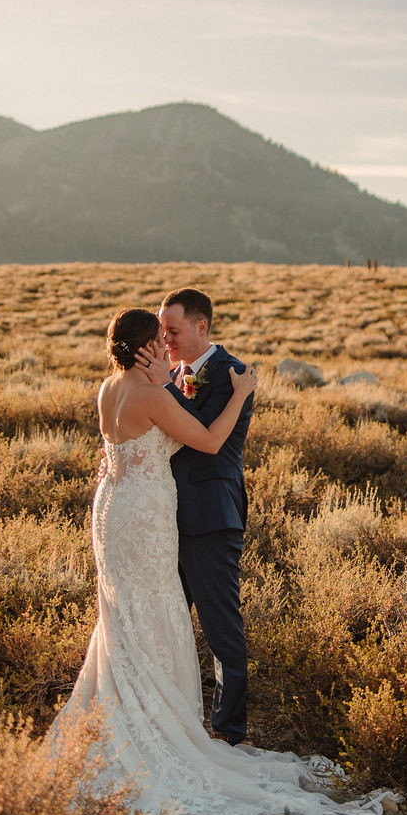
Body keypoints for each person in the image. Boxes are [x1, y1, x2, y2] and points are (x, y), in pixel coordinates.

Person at [48, 307, 404, 815]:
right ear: (144, 351)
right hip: (145, 515)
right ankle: (161, 730)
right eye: (159, 343)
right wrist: (241, 391)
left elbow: (118, 448)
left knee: (123, 615)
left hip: (112, 511)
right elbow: (211, 440)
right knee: (158, 608)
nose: (168, 348)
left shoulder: (106, 387)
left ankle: (128, 714)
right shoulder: (155, 392)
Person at [154, 287, 252, 745]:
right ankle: (172, 719)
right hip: (168, 517)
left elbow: (200, 434)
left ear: (201, 326)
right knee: (168, 621)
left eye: (172, 330)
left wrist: (161, 384)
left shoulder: (232, 375)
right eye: (162, 331)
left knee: (220, 628)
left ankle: (229, 733)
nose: (166, 338)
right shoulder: (172, 375)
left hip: (211, 518)